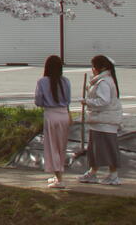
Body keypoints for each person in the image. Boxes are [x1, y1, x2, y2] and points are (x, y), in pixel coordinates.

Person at [79, 54, 123, 186]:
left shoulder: (104, 82)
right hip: (99, 121)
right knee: (94, 149)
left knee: (108, 148)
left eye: (93, 66)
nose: (92, 69)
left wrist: (87, 102)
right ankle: (93, 172)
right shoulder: (104, 80)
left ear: (99, 68)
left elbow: (104, 101)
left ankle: (113, 175)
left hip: (105, 121)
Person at [35, 54, 72, 188]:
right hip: (64, 114)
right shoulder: (66, 81)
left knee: (52, 147)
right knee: (61, 147)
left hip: (51, 114)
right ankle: (58, 174)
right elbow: (68, 100)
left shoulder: (42, 82)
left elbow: (38, 101)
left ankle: (59, 178)